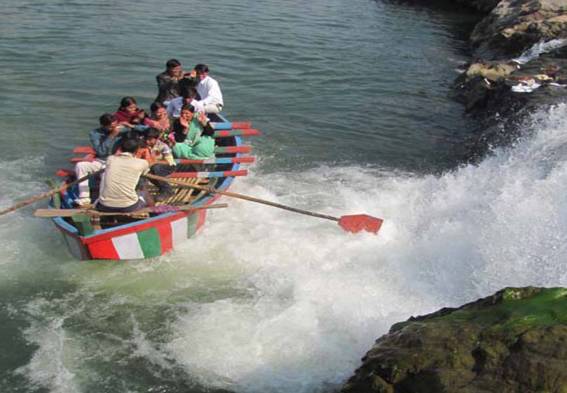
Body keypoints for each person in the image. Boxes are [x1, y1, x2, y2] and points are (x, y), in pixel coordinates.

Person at [74, 114, 126, 207]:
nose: (114, 128)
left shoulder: (121, 129)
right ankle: (84, 197)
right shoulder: (95, 134)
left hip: (115, 162)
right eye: (111, 127)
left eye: (115, 125)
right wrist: (111, 136)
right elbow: (101, 151)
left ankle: (103, 199)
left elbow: (143, 129)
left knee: (106, 176)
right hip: (100, 160)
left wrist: (131, 126)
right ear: (103, 126)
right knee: (80, 166)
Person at [96, 138, 150, 213]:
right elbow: (145, 172)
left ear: (120, 148)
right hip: (128, 206)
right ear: (137, 150)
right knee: (144, 187)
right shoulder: (143, 163)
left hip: (104, 206)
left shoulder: (110, 159)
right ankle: (152, 208)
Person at [138, 128, 177, 201]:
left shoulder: (163, 146)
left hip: (168, 167)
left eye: (150, 139)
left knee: (156, 168)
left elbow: (169, 162)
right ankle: (164, 189)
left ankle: (167, 190)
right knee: (147, 171)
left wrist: (155, 162)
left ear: (156, 139)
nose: (147, 141)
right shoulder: (142, 145)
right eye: (146, 139)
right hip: (150, 166)